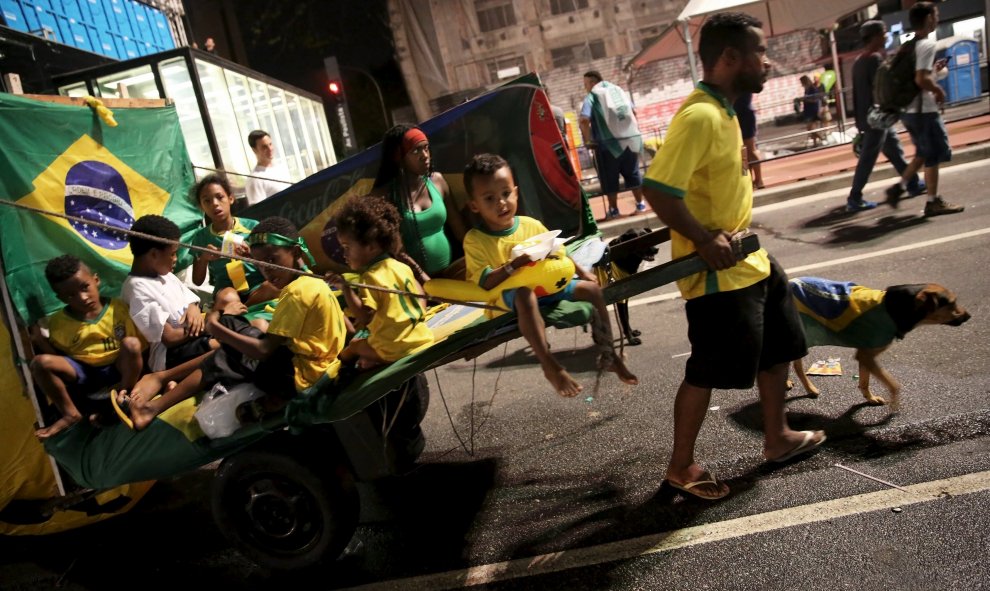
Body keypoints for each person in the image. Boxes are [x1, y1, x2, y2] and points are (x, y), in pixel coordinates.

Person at [642, 12, 826, 501]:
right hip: (717, 274)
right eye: (759, 53)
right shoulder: (700, 115)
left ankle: (777, 437)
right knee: (707, 368)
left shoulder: (724, 110)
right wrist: (703, 238)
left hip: (751, 261)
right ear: (729, 58)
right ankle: (681, 466)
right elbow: (658, 188)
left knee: (779, 348)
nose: (767, 62)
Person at [115, 217, 348, 431]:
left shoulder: (296, 293)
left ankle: (154, 403)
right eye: (261, 264)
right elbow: (175, 331)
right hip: (180, 348)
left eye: (272, 260)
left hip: (299, 377)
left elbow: (264, 350)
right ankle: (163, 386)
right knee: (234, 330)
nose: (267, 271)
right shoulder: (311, 281)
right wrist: (214, 321)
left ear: (294, 251)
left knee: (230, 347)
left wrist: (216, 327)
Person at [462, 153, 637, 398]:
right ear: (474, 205)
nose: (501, 203)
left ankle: (609, 353)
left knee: (592, 290)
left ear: (515, 191)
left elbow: (560, 252)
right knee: (524, 294)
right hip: (507, 297)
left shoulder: (530, 225)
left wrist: (584, 273)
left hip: (548, 287)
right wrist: (514, 265)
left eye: (505, 193)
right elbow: (486, 281)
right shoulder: (475, 240)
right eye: (489, 198)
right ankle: (549, 364)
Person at [29, 256, 144, 438]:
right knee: (40, 363)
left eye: (84, 287)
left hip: (119, 366)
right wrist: (41, 343)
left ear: (96, 280)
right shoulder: (59, 322)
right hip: (85, 372)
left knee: (131, 344)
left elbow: (138, 349)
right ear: (60, 298)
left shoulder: (119, 308)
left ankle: (123, 397)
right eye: (70, 295)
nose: (82, 297)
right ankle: (70, 414)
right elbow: (59, 357)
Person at [327, 195, 434, 370]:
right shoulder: (400, 266)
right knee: (369, 342)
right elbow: (420, 295)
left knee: (353, 346)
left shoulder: (371, 277)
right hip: (421, 336)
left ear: (371, 245)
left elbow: (365, 317)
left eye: (347, 247)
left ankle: (341, 375)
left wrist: (345, 289)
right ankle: (369, 360)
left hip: (395, 349)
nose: (343, 254)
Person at [884, 2, 964, 217]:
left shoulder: (910, 45)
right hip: (924, 111)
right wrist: (938, 90)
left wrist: (933, 73)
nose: (937, 19)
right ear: (928, 18)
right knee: (934, 154)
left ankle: (899, 188)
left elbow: (917, 75)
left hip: (909, 111)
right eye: (935, 15)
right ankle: (932, 202)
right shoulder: (927, 45)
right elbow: (921, 79)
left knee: (924, 153)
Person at [846, 20, 925, 212]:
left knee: (894, 149)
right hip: (878, 118)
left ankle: (913, 182)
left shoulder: (858, 62)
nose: (886, 36)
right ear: (875, 36)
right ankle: (854, 197)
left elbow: (857, 94)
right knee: (868, 158)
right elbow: (885, 88)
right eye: (883, 33)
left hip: (870, 118)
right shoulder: (874, 60)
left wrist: (860, 121)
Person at [371, 124, 467, 281]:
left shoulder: (437, 181)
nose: (425, 155)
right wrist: (422, 278)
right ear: (398, 157)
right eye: (416, 150)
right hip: (414, 281)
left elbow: (459, 230)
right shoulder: (385, 196)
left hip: (451, 273)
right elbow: (397, 250)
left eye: (426, 148)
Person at [122, 215, 214, 373]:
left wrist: (193, 308)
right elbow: (169, 338)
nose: (175, 259)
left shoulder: (165, 274)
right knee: (223, 342)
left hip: (193, 337)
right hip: (168, 355)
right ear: (153, 254)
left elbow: (192, 301)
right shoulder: (136, 288)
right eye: (172, 253)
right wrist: (208, 325)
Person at [187, 173, 280, 328]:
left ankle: (241, 310)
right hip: (226, 291)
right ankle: (234, 311)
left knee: (271, 287)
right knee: (228, 297)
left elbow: (272, 264)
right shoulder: (201, 237)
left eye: (219, 197)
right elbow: (197, 280)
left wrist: (252, 255)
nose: (214, 204)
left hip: (257, 288)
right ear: (201, 207)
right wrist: (203, 259)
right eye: (207, 201)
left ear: (230, 198)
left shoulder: (253, 226)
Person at [579, 71, 647, 219]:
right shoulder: (618, 92)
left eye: (585, 84)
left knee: (610, 179)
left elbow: (584, 120)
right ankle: (640, 204)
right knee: (633, 174)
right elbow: (633, 112)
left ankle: (614, 210)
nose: (585, 88)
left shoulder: (592, 97)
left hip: (607, 147)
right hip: (629, 142)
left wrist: (588, 140)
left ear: (592, 83)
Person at [245, 130, 291, 207]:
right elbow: (259, 210)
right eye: (264, 147)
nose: (270, 149)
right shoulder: (255, 179)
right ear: (254, 150)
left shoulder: (281, 167)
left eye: (270, 144)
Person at [733, 92, 764, 189]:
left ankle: (759, 180)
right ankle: (747, 179)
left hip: (744, 115)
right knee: (742, 151)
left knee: (750, 150)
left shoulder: (739, 81)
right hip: (738, 115)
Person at [799, 74, 824, 147]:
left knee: (811, 128)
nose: (801, 84)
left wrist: (806, 99)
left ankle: (822, 139)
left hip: (813, 110)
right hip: (808, 110)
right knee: (810, 128)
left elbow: (815, 99)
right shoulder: (807, 89)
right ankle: (815, 142)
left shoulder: (812, 88)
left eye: (802, 82)